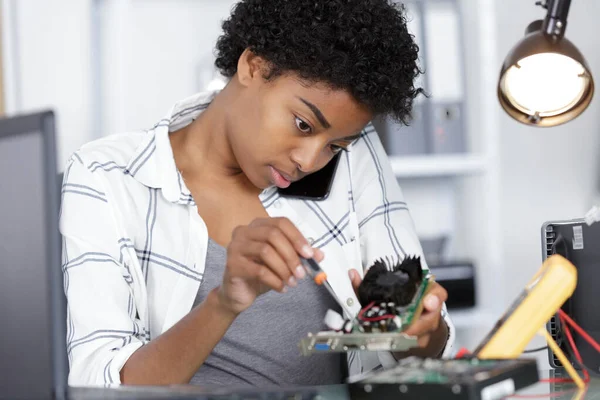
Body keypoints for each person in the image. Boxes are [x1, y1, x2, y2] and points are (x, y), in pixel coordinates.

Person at [60, 0, 455, 387]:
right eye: (302, 124)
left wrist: (420, 327)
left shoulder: (356, 157)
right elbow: (100, 388)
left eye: (335, 146)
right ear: (253, 66)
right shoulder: (108, 177)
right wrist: (224, 302)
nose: (309, 160)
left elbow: (429, 348)